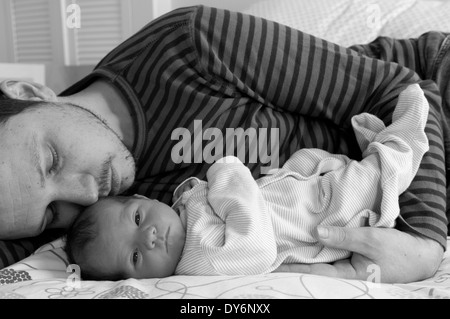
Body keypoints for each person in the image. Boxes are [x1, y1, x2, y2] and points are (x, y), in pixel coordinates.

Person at [0, 6, 448, 283]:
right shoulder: (88, 224)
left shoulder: (188, 47)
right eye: (50, 213)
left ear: (29, 92)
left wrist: (425, 242)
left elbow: (402, 90)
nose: (83, 193)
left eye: (52, 160)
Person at [65, 84, 429, 279]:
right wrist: (225, 172)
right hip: (330, 214)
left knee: (312, 162)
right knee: (379, 175)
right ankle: (405, 140)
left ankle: (375, 148)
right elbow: (255, 247)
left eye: (138, 219)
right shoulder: (199, 258)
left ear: (143, 199)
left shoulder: (182, 215)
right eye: (135, 255)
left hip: (299, 192)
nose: (149, 237)